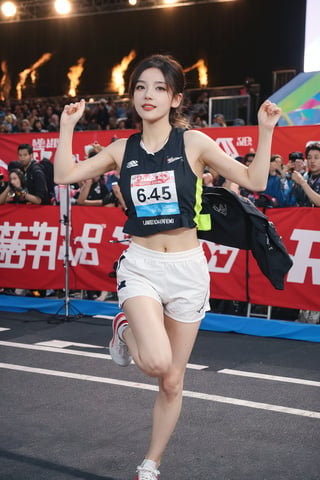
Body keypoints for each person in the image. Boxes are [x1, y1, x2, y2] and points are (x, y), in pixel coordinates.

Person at [54, 54, 281, 480]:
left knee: (172, 381)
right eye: (141, 87)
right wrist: (67, 125)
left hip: (188, 270)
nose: (148, 95)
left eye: (159, 88)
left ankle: (150, 464)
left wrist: (265, 130)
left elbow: (255, 181)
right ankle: (124, 326)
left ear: (175, 98)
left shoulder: (194, 143)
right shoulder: (122, 150)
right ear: (133, 95)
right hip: (141, 264)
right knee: (158, 362)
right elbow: (65, 174)